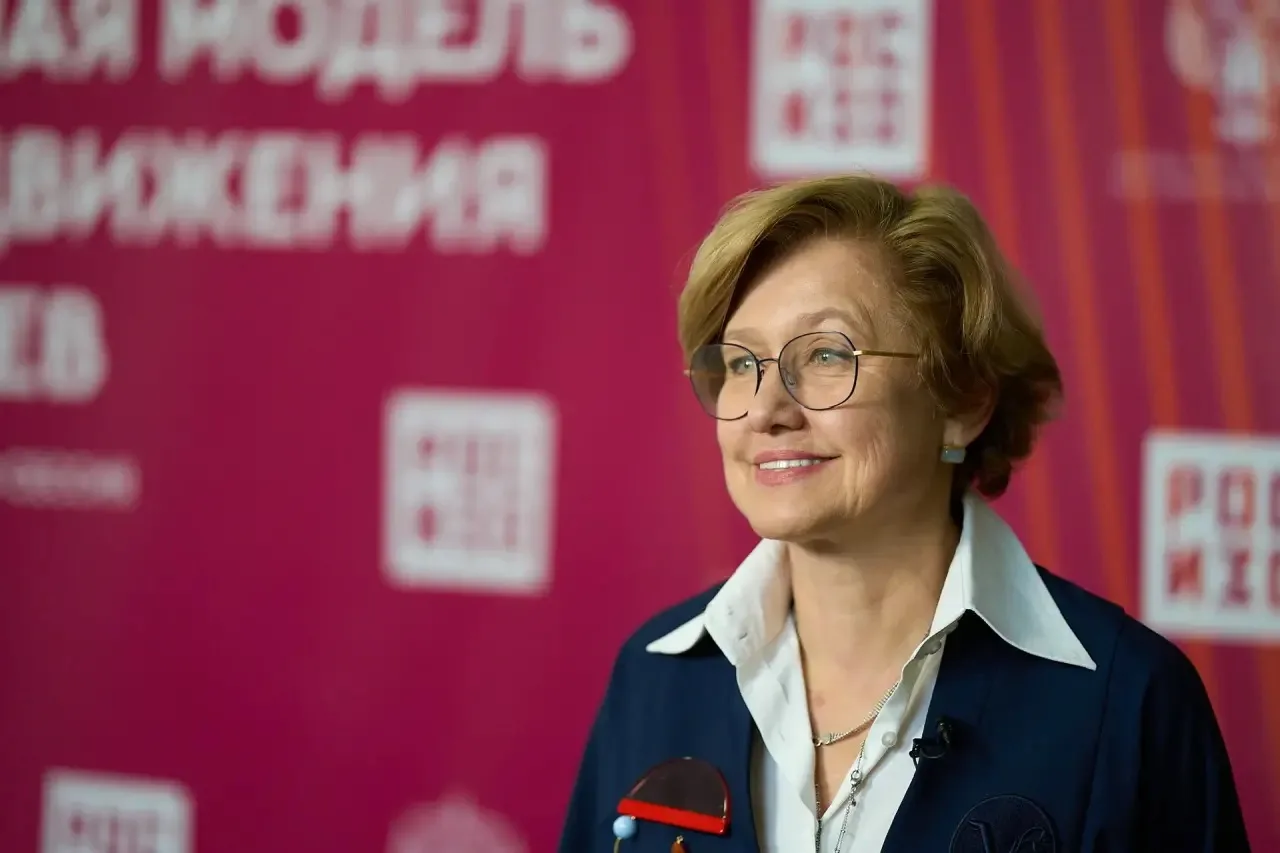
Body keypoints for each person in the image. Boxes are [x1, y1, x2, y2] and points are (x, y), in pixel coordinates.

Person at [558, 175, 1250, 853]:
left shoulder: (1127, 701)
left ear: (962, 400)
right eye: (741, 365)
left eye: (826, 354)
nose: (766, 410)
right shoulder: (655, 677)